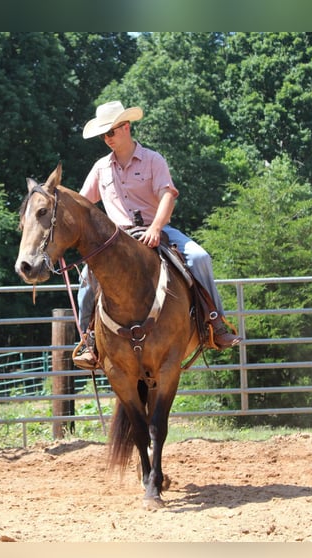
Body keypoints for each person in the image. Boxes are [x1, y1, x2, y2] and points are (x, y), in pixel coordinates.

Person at [73, 101, 240, 370]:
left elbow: (167, 195)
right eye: (104, 135)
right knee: (86, 278)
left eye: (111, 132)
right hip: (117, 240)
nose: (107, 139)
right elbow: (83, 204)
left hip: (157, 230)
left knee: (199, 257)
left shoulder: (153, 160)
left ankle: (214, 322)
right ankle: (90, 339)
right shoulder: (101, 168)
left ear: (126, 127)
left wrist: (155, 228)